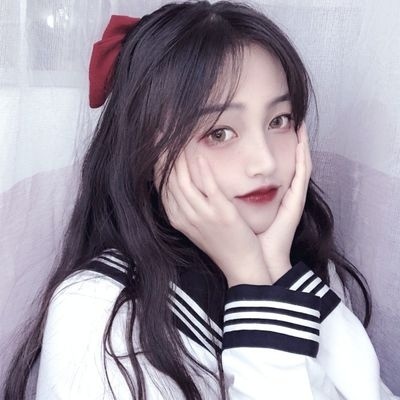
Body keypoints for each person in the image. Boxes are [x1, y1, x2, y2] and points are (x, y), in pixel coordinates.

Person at [2, 1, 399, 399]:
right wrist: (252, 278)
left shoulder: (295, 257)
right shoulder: (96, 309)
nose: (264, 162)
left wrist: (271, 271)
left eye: (279, 120)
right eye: (219, 133)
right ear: (144, 150)